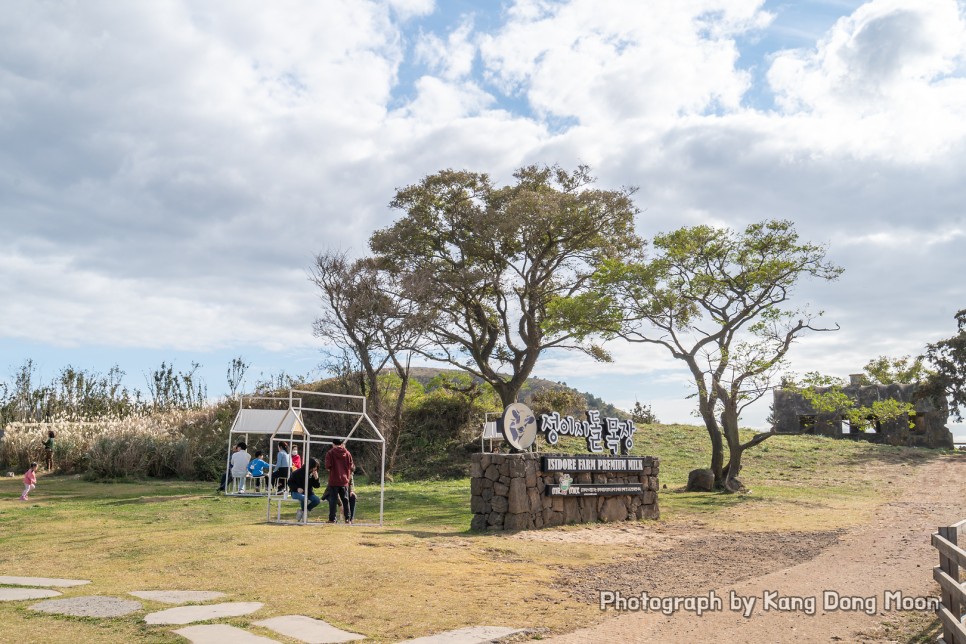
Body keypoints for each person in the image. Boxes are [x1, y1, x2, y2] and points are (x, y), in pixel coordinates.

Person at [324, 439, 354, 524]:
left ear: (333, 444)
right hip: (344, 480)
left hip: (334, 480)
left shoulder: (330, 453)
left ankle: (332, 518)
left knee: (333, 500)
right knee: (345, 500)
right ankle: (347, 518)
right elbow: (352, 466)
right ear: (341, 444)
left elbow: (328, 466)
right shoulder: (347, 453)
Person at [288, 457, 321, 522]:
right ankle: (304, 515)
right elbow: (289, 482)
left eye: (317, 467)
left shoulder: (313, 474)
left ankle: (303, 512)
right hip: (295, 492)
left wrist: (316, 479)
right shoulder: (297, 472)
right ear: (310, 466)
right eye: (315, 467)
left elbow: (317, 486)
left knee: (317, 500)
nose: (316, 469)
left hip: (308, 493)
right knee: (304, 498)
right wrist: (297, 488)